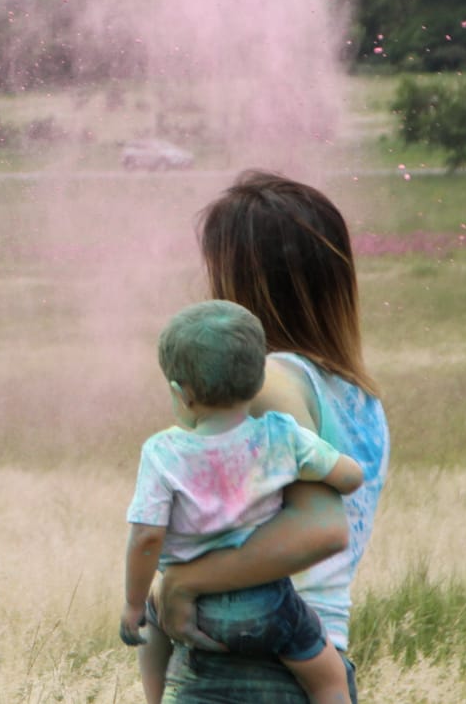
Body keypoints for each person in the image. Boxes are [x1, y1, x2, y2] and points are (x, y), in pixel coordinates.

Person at [153, 172, 390, 703]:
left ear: (240, 280)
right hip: (317, 658)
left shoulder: (269, 383)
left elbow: (320, 529)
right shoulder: (357, 395)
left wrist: (184, 582)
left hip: (246, 670)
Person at [121, 301, 363, 704]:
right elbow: (349, 477)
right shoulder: (281, 435)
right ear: (258, 381)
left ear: (181, 394)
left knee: (152, 623)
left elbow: (146, 536)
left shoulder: (163, 453)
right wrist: (329, 471)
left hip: (196, 608)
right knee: (327, 676)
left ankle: (156, 696)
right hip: (266, 603)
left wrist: (133, 604)